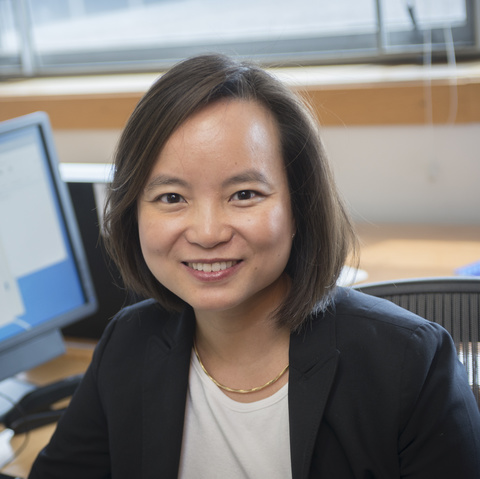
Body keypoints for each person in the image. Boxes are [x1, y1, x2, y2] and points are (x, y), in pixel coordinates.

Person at [29, 54, 480, 479]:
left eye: (244, 194)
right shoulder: (127, 345)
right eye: (172, 198)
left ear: (299, 205)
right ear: (133, 212)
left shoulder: (409, 364)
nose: (207, 232)